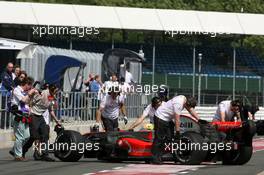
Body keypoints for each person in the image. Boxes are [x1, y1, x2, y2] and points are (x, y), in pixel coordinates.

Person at [151, 95, 198, 164]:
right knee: (159, 138)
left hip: (167, 119)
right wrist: (178, 132)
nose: (188, 108)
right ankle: (154, 157)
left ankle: (160, 155)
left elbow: (191, 110)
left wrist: (199, 119)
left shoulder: (184, 99)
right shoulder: (178, 104)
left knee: (169, 138)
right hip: (160, 117)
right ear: (186, 103)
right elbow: (177, 119)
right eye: (188, 106)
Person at [23, 84, 61, 161]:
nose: (56, 93)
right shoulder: (42, 94)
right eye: (56, 91)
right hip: (33, 115)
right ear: (51, 90)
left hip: (40, 116)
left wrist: (57, 121)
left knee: (45, 134)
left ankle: (45, 154)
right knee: (34, 137)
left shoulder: (51, 97)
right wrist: (29, 110)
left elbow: (51, 110)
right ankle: (23, 150)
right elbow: (30, 101)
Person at [9, 77, 35, 161]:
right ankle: (18, 156)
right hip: (18, 115)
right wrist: (29, 94)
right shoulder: (17, 90)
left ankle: (14, 150)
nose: (30, 88)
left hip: (25, 115)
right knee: (20, 136)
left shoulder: (25, 92)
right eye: (30, 86)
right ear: (26, 84)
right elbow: (23, 100)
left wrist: (30, 97)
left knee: (27, 136)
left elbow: (28, 103)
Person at [0, 62, 15, 129]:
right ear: (7, 67)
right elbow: (6, 83)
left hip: (9, 95)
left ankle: (7, 124)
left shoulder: (11, 74)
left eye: (12, 67)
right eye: (9, 67)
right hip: (4, 94)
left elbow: (12, 82)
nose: (11, 68)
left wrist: (14, 87)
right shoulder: (4, 74)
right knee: (3, 110)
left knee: (8, 109)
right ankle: (3, 125)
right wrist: (12, 87)